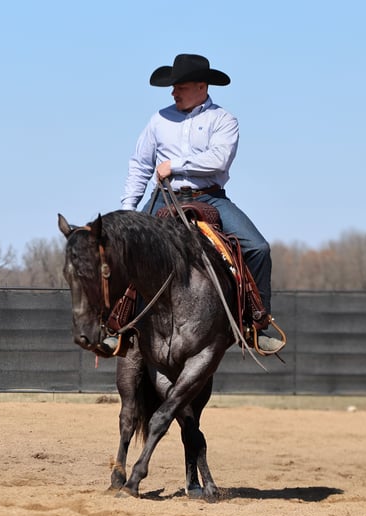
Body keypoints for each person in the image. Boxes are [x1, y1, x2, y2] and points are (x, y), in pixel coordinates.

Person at [121, 53, 284, 353]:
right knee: (126, 245)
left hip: (210, 197)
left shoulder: (223, 120)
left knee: (258, 249)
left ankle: (257, 323)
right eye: (172, 87)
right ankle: (119, 324)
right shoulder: (159, 119)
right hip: (164, 198)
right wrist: (130, 207)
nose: (173, 92)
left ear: (201, 86)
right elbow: (140, 164)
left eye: (179, 86)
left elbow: (218, 160)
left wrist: (175, 166)